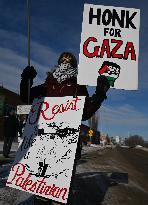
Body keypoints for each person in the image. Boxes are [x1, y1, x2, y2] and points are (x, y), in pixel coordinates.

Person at [20, 52, 110, 205]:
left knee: (59, 195)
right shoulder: (48, 83)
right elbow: (27, 97)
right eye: (63, 59)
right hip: (44, 143)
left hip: (66, 146)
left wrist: (99, 94)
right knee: (41, 192)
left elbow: (86, 112)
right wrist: (26, 80)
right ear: (58, 62)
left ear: (74, 65)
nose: (65, 62)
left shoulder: (78, 86)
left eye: (69, 60)